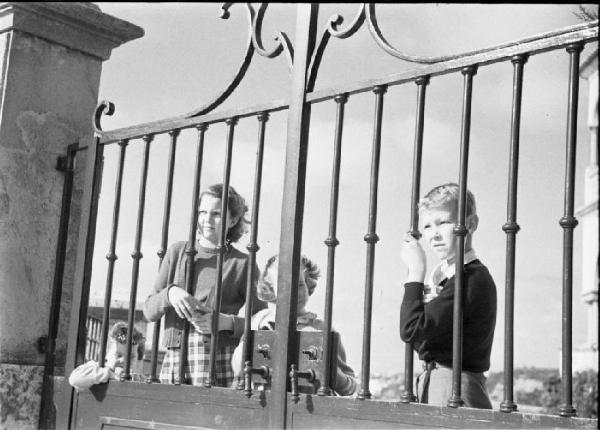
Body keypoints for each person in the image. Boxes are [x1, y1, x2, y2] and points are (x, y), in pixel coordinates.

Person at [143, 184, 266, 387]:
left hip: (221, 360)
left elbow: (262, 324)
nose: (207, 219)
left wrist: (227, 323)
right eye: (203, 212)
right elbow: (148, 311)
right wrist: (170, 293)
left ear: (233, 220)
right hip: (176, 360)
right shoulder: (177, 252)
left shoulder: (243, 263)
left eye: (216, 213)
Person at [399, 183, 497, 409]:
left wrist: (415, 272)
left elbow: (411, 328)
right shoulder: (450, 278)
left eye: (443, 222)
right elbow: (420, 340)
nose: (434, 235)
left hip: (454, 386)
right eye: (427, 226)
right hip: (439, 382)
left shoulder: (471, 278)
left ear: (470, 224)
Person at [231, 254, 357, 396]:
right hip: (265, 404)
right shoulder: (259, 321)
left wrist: (333, 373)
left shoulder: (322, 329)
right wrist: (252, 339)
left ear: (309, 284)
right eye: (284, 286)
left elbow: (349, 386)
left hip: (309, 410)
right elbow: (238, 369)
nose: (294, 292)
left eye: (300, 285)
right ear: (270, 290)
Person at [69, 321, 145, 391]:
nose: (123, 360)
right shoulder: (97, 367)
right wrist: (108, 373)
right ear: (107, 353)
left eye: (131, 357)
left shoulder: (136, 376)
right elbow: (74, 379)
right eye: (118, 355)